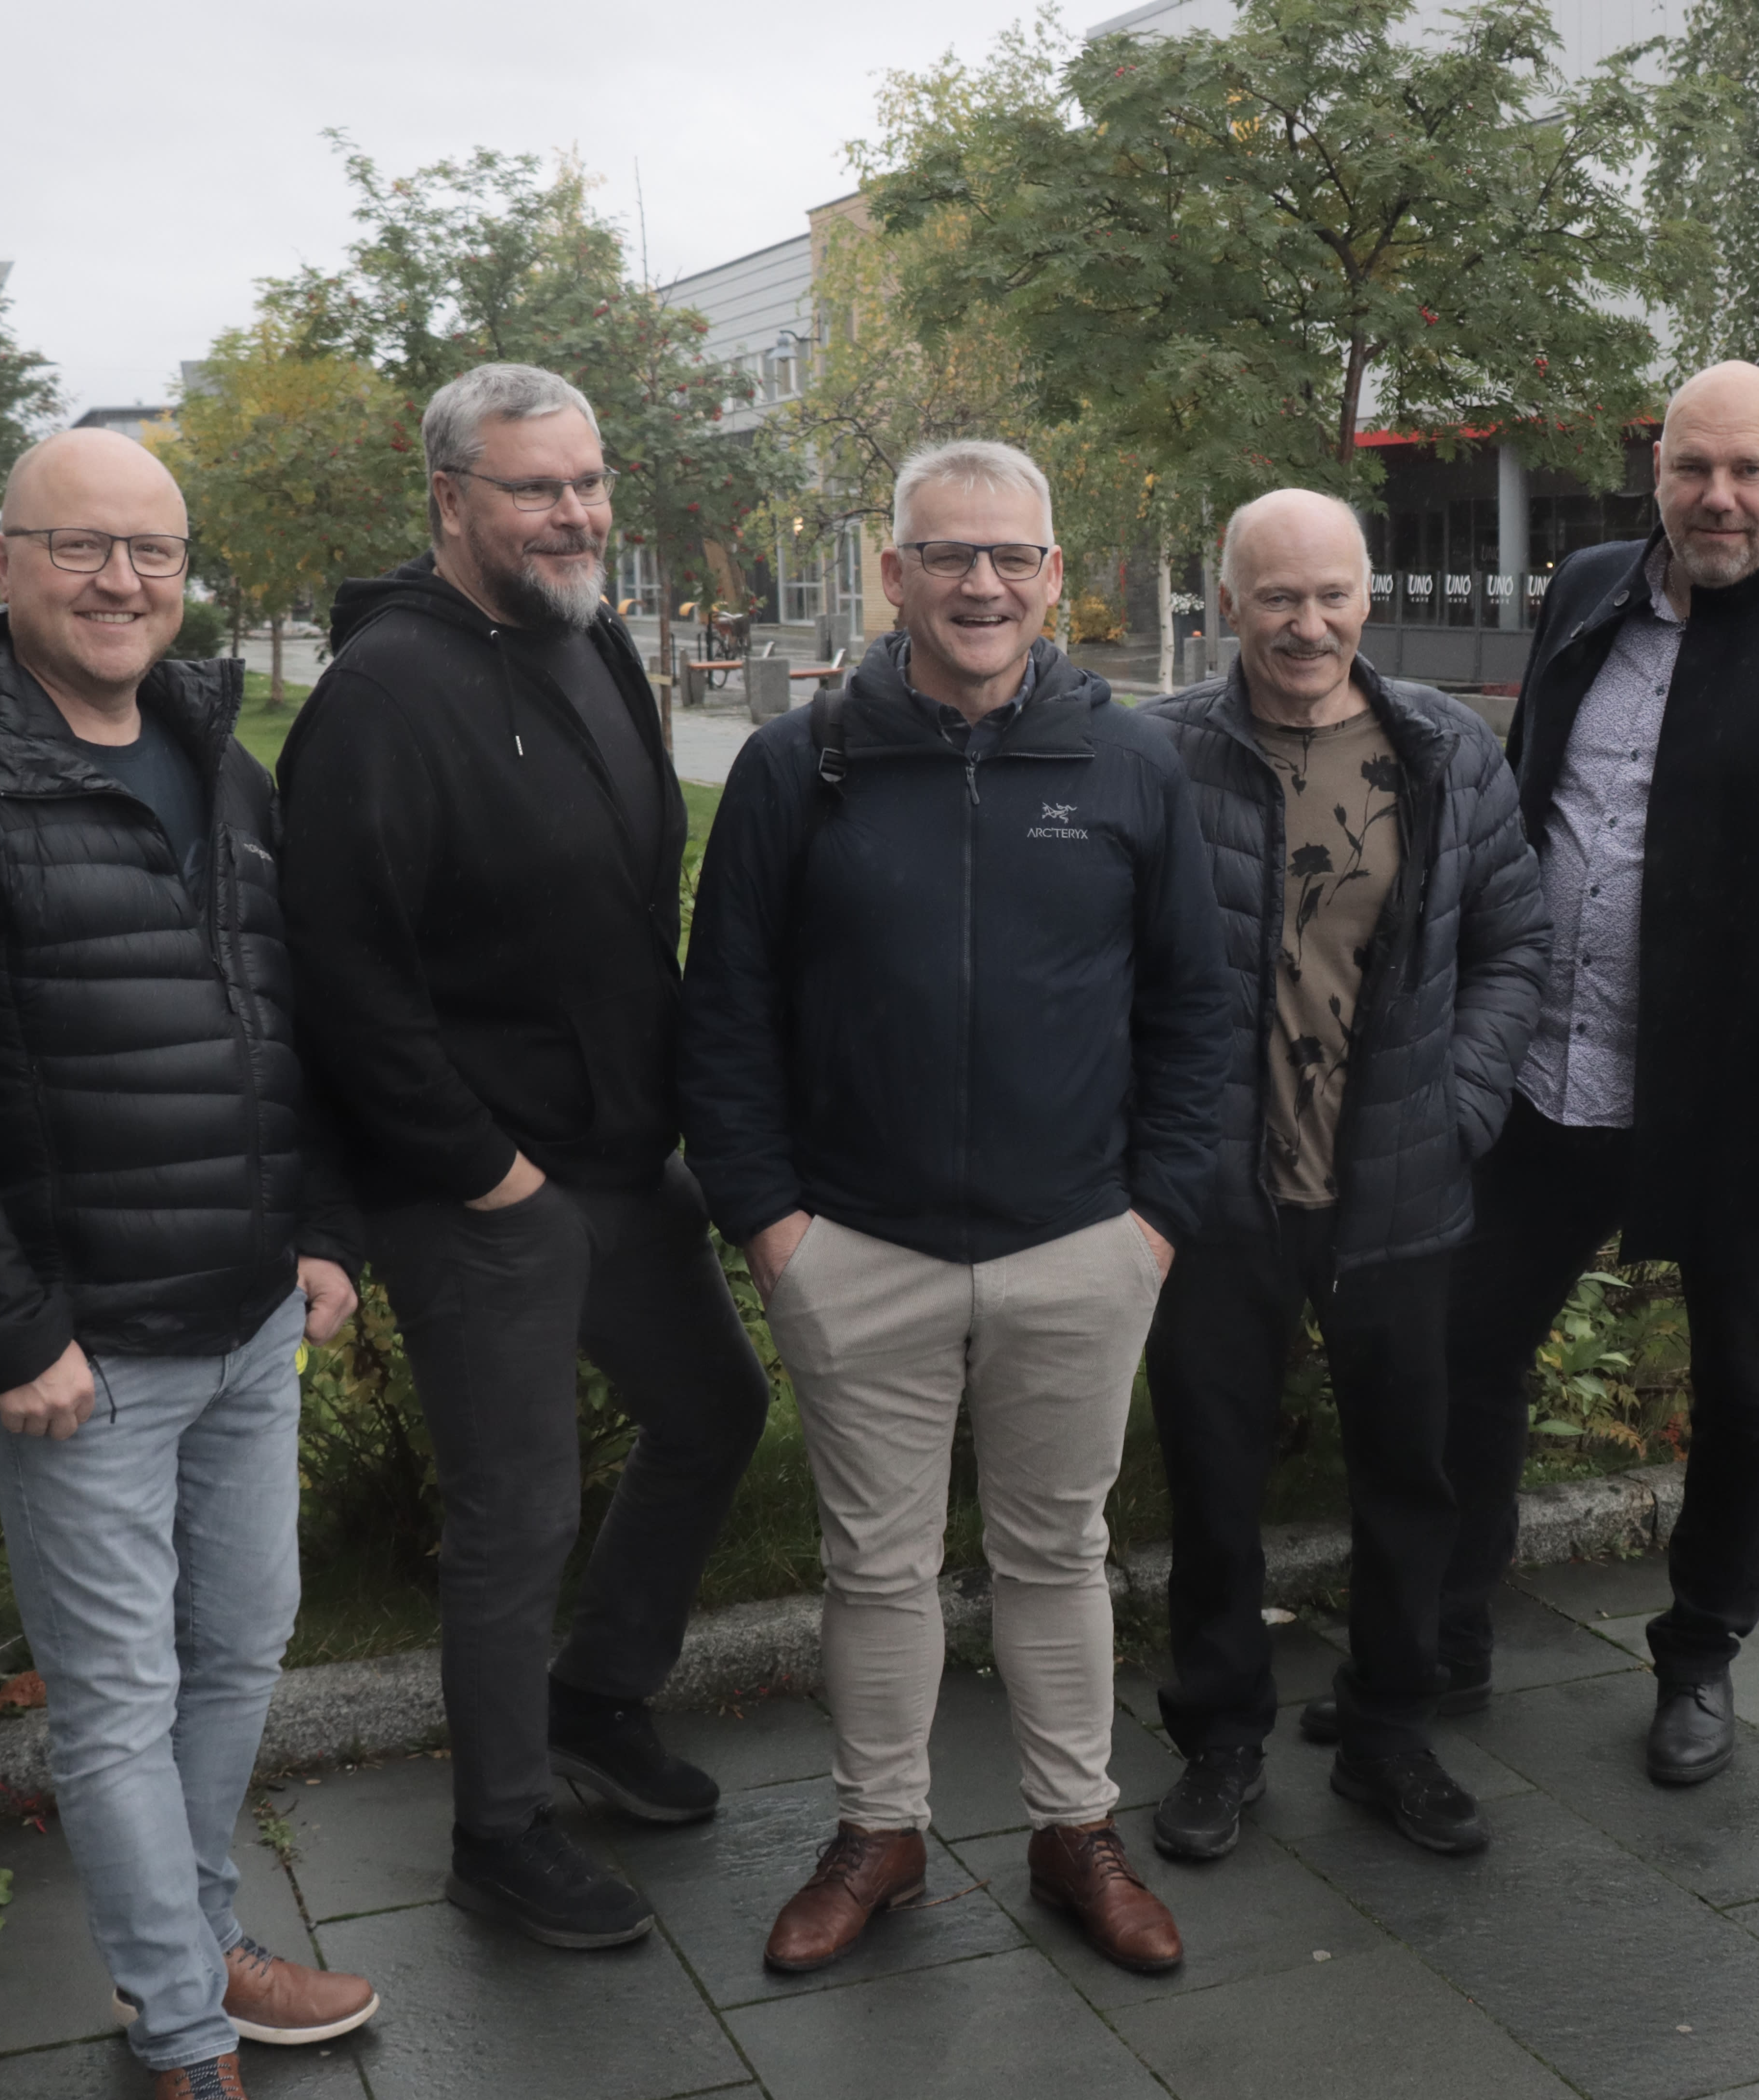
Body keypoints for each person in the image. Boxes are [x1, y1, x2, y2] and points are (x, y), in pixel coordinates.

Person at [0, 429, 374, 2100]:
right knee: (120, 1704)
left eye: (154, 550)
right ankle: (185, 2044)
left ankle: (187, 1954)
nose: (123, 580)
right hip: (85, 1357)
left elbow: (289, 1019)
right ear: (4, 559)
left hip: (248, 1324)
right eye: (82, 547)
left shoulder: (221, 759)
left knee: (245, 1648)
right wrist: (1, 1333)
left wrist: (325, 1230)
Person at [678, 438, 1231, 1978]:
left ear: (1056, 576)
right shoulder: (801, 766)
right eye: (947, 556)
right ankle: (882, 1835)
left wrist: (1154, 1223)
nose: (980, 585)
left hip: (1082, 1244)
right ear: (894, 574)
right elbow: (724, 1017)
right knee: (875, 1565)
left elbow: (1195, 1012)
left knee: (1059, 1553)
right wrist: (774, 1229)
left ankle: (1074, 1831)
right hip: (858, 1245)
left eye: (1011, 558)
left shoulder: (1130, 764)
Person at [1403, 362, 1759, 1786]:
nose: (1719, 497)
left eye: (1749, 470)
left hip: (1744, 1106)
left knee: (1747, 1391)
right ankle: (1441, 1641)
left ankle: (1700, 1657)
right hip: (1545, 1076)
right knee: (1463, 1352)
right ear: (1655, 465)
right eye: (1693, 467)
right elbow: (1534, 800)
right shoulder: (1591, 588)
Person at [277, 364, 771, 1950]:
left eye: (589, 481)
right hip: (480, 1185)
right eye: (536, 489)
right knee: (516, 1514)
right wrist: (492, 1175)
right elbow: (344, 979)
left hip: (618, 1158)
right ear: (450, 501)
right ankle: (498, 1832)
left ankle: (598, 1697)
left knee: (715, 1410)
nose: (576, 514)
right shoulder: (380, 700)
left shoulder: (592, 638)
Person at [1136, 489, 1549, 1862]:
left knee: (1409, 1478)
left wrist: (1459, 1106)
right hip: (1217, 1198)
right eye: (1277, 597)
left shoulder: (1444, 749)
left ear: (1368, 597)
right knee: (1213, 1481)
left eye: (1331, 595)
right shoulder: (1159, 755)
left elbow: (1515, 943)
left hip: (1398, 1191)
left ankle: (1389, 1734)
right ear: (1228, 602)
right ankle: (1220, 1739)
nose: (1306, 625)